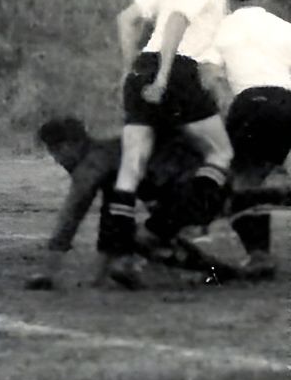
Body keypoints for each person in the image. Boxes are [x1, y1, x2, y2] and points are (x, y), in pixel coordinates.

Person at [100, 0, 255, 290]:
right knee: (221, 153)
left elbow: (127, 18)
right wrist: (164, 76)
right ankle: (158, 230)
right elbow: (176, 22)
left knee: (132, 165)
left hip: (144, 67)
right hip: (177, 72)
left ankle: (120, 256)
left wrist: (130, 69)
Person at [206, 0, 291, 281]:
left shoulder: (220, 29)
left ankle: (259, 253)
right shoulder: (286, 28)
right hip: (286, 105)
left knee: (236, 183)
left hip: (249, 104)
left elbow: (211, 77)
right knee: (254, 177)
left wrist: (225, 108)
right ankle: (278, 182)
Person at [29, 116, 209, 290]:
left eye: (55, 151)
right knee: (133, 225)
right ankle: (209, 270)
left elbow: (72, 214)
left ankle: (210, 271)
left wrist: (48, 271)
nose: (56, 160)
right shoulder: (111, 154)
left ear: (69, 145)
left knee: (144, 237)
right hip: (194, 186)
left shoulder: (94, 163)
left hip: (195, 190)